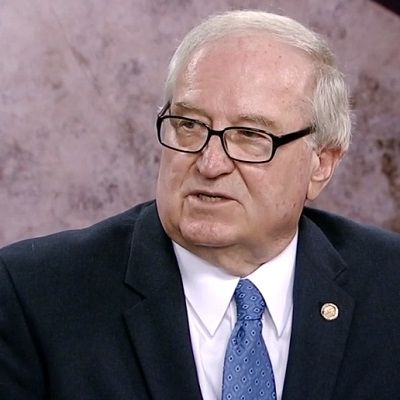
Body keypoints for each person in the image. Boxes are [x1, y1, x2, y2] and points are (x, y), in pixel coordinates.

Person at [1, 9, 399, 400]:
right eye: (189, 125)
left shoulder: (389, 287)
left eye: (250, 135)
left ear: (321, 163)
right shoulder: (32, 294)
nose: (210, 164)